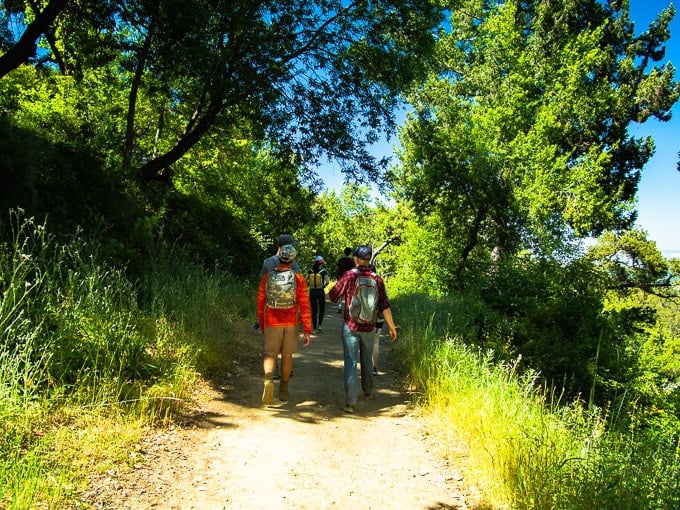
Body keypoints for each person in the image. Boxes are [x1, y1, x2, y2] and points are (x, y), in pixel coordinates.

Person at [328, 245, 397, 413]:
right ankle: (367, 392)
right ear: (369, 260)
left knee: (351, 362)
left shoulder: (349, 276)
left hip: (351, 326)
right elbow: (384, 305)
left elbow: (333, 296)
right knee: (367, 360)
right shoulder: (378, 280)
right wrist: (391, 326)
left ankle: (350, 402)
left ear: (357, 259)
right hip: (369, 327)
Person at [257, 244, 312, 405]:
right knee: (287, 356)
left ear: (279, 257)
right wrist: (307, 329)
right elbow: (305, 304)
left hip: (272, 321)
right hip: (291, 323)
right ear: (293, 259)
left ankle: (268, 380)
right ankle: (283, 390)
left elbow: (261, 301)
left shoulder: (267, 277)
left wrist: (261, 322)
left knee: (270, 354)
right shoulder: (298, 278)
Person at [307, 256, 329, 333]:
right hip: (320, 292)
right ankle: (320, 326)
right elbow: (327, 281)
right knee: (321, 309)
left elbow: (305, 280)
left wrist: (309, 285)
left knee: (314, 310)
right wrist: (323, 286)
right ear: (322, 263)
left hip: (312, 292)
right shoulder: (323, 272)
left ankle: (315, 328)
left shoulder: (310, 271)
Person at [335, 247, 354, 313]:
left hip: (341, 278)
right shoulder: (351, 261)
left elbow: (338, 269)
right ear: (350, 253)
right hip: (349, 278)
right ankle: (348, 308)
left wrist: (337, 277)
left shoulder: (341, 260)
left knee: (341, 293)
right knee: (348, 293)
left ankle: (339, 307)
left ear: (344, 252)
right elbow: (353, 270)